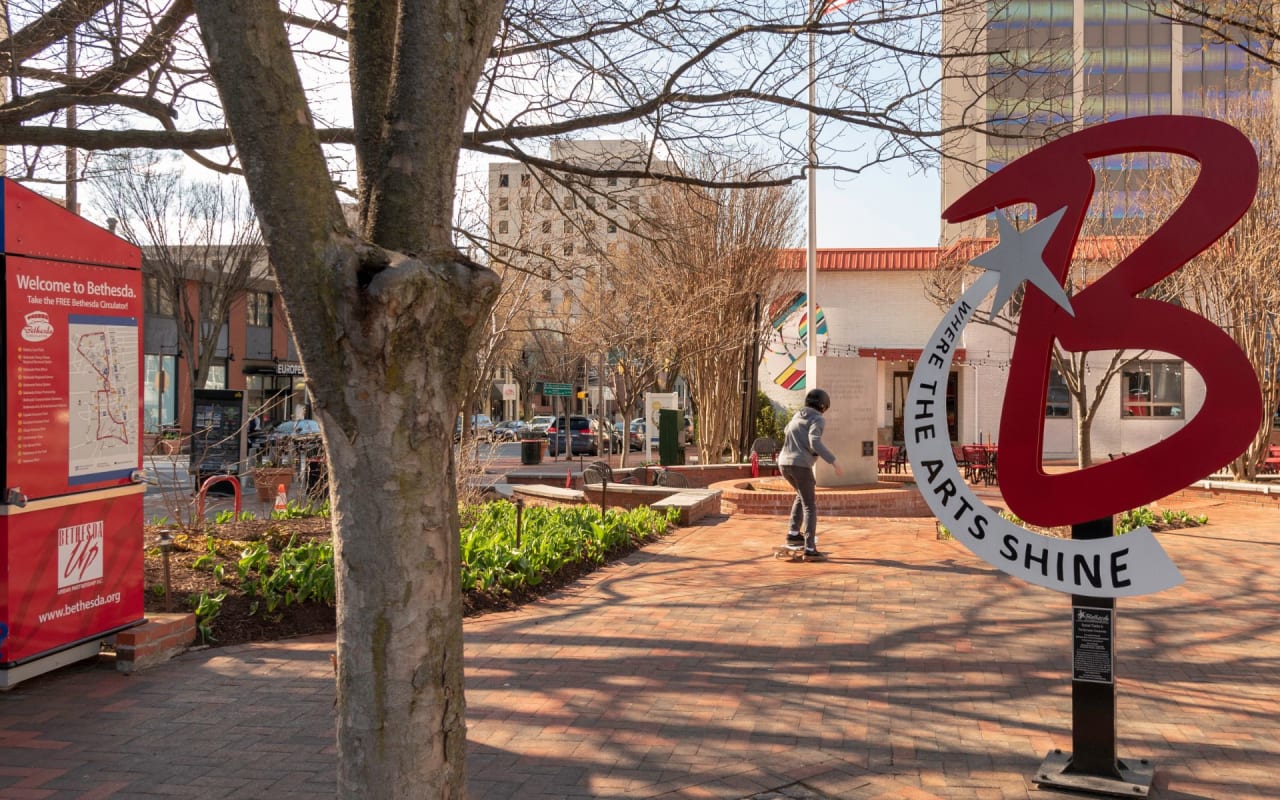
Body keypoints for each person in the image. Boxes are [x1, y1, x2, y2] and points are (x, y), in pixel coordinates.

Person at [777, 387, 843, 558]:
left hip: (784, 463)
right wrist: (833, 461)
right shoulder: (818, 419)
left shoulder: (797, 416)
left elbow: (786, 431)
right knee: (810, 506)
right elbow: (815, 441)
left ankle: (793, 534)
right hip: (800, 465)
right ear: (823, 406)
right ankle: (810, 548)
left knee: (800, 495)